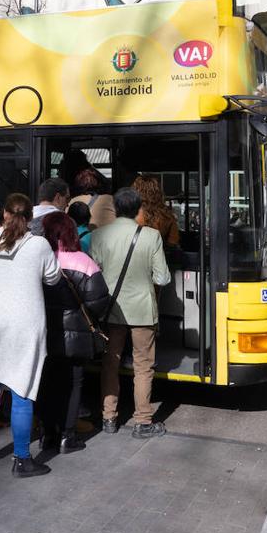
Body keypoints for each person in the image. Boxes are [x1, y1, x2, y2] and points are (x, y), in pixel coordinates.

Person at [0, 193, 61, 478]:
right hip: (25, 329)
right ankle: (22, 459)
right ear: (30, 217)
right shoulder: (39, 245)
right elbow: (52, 278)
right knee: (22, 394)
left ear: (4, 214)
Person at [89, 186, 171, 439]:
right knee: (143, 365)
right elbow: (163, 277)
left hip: (111, 310)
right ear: (138, 209)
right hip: (142, 311)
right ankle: (143, 420)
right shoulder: (151, 236)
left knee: (110, 362)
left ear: (115, 208)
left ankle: (108, 417)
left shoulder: (99, 235)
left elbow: (94, 274)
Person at [39, 212, 112, 454]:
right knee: (73, 384)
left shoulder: (40, 258)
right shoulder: (84, 261)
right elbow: (99, 301)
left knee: (47, 383)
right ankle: (67, 436)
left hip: (45, 333)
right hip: (77, 335)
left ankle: (47, 434)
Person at [132, 175, 180, 248]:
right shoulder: (167, 215)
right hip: (157, 255)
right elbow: (173, 242)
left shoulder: (130, 213)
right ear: (158, 193)